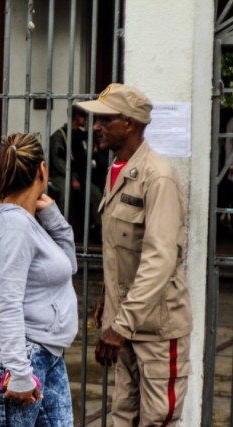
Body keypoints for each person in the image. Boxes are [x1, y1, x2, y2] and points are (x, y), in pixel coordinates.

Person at [78, 83, 193, 426]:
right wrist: (107, 301)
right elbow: (122, 251)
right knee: (123, 417)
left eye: (104, 119)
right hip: (124, 324)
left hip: (155, 330)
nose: (95, 126)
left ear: (129, 123)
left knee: (157, 419)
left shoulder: (157, 177)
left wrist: (122, 324)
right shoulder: (119, 171)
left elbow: (159, 259)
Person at [0, 132, 78, 426]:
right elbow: (9, 301)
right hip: (25, 356)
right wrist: (19, 373)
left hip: (47, 353)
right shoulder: (14, 226)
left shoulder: (26, 222)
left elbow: (69, 266)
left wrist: (53, 215)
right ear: (42, 170)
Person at [49, 105, 102, 238]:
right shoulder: (60, 135)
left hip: (80, 176)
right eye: (83, 116)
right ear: (77, 117)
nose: (85, 120)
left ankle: (98, 230)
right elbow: (58, 161)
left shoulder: (81, 135)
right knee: (65, 194)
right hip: (61, 175)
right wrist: (72, 178)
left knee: (96, 196)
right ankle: (60, 230)